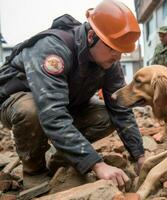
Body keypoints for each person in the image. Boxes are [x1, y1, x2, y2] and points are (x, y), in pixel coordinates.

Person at [0, 0, 145, 189]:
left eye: (121, 51)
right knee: (31, 111)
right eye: (112, 48)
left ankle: (59, 158)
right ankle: (34, 170)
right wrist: (97, 164)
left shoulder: (109, 62)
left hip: (64, 104)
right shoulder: (53, 49)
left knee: (107, 115)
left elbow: (121, 111)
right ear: (92, 36)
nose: (117, 57)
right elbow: (52, 114)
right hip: (17, 102)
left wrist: (140, 156)